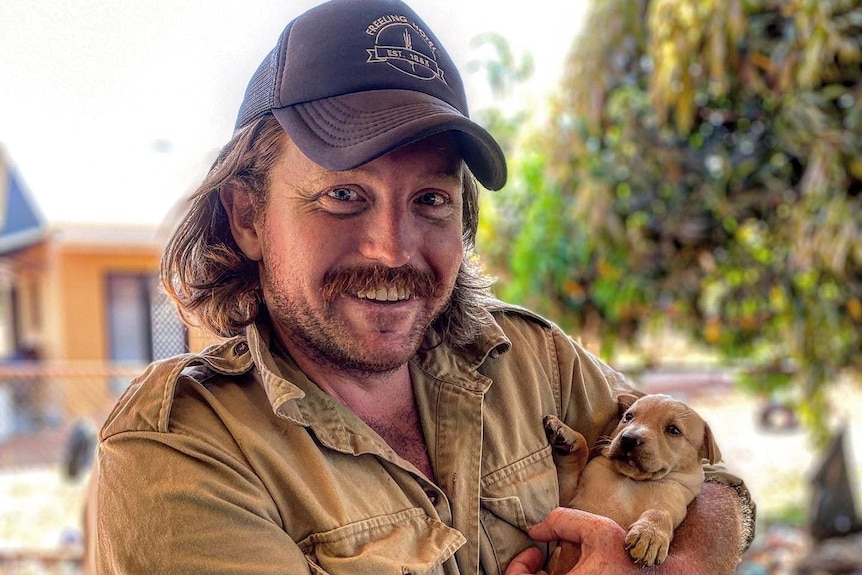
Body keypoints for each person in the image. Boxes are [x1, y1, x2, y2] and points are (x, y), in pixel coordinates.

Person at [90, 0, 755, 573]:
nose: (395, 247)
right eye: (344, 194)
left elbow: (711, 477)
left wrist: (687, 561)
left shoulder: (529, 359)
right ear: (248, 217)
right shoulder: (183, 449)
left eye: (430, 198)